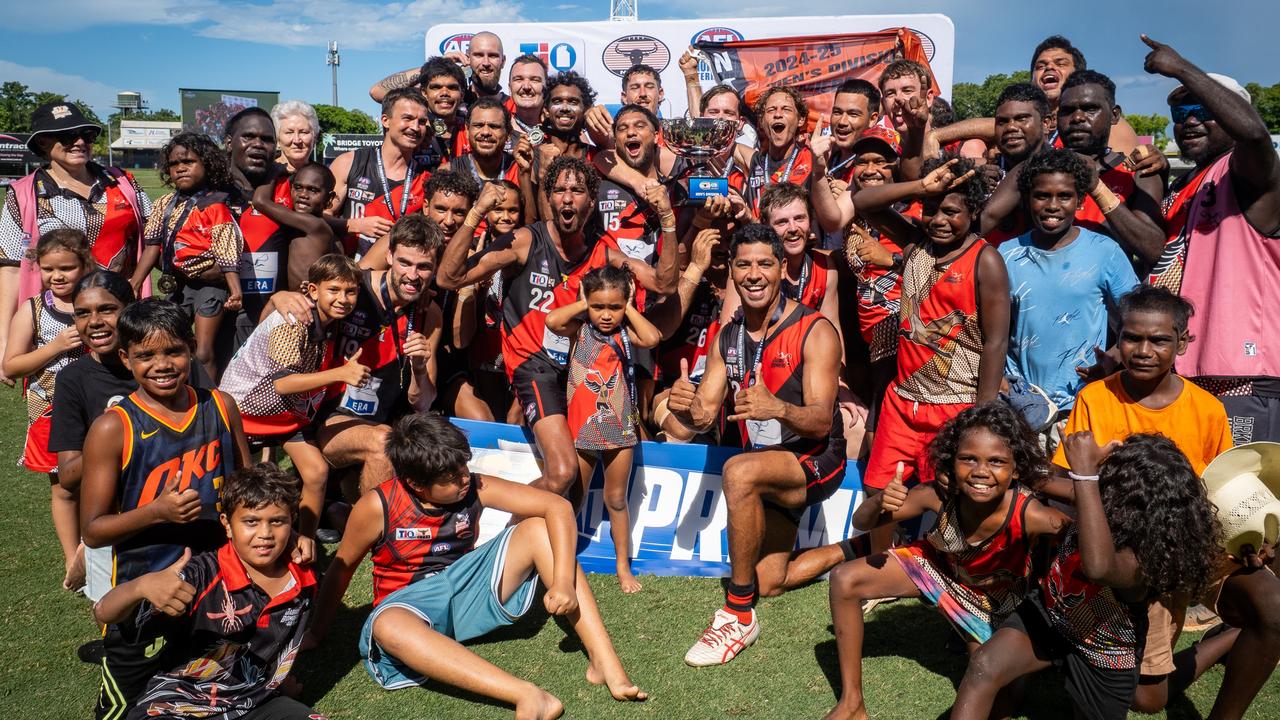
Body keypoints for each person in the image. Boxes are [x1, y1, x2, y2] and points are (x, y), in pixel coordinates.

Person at [308, 413, 647, 718]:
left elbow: (556, 506)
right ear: (415, 484)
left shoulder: (475, 485)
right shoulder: (376, 506)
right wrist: (317, 632)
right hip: (408, 607)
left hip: (466, 589)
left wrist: (561, 582)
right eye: (452, 478)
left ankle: (605, 662)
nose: (465, 479)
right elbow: (342, 568)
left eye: (464, 467)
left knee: (538, 528)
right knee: (386, 626)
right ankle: (527, 695)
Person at [1047, 284, 1279, 720]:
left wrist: (1252, 538)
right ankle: (1223, 639)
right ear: (1119, 339)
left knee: (1273, 608)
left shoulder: (1208, 409)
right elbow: (1062, 482)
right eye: (1133, 337)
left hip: (1196, 542)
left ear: (1183, 342)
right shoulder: (1096, 398)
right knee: (1147, 700)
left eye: (1159, 340)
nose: (1144, 350)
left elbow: (1224, 490)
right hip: (1133, 557)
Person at [437, 157, 678, 502]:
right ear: (548, 199)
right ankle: (498, 532)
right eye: (560, 190)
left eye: (577, 190)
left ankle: (539, 547)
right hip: (533, 366)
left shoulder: (603, 253)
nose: (567, 198)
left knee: (574, 485)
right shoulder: (524, 241)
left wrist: (667, 221)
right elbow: (449, 277)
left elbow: (663, 284)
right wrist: (476, 214)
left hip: (578, 373)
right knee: (563, 471)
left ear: (591, 203)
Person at [666, 224, 847, 666]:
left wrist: (779, 409)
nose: (754, 274)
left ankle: (737, 613)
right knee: (771, 579)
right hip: (769, 463)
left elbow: (822, 421)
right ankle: (860, 547)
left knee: (738, 472)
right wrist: (685, 407)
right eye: (743, 264)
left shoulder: (814, 329)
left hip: (818, 456)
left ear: (782, 269)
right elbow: (707, 414)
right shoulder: (725, 337)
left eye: (764, 263)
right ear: (732, 272)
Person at [952, 432, 1223, 720]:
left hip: (1104, 654)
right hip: (1050, 615)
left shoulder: (1140, 563)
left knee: (1140, 702)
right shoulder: (1100, 498)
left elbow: (1099, 567)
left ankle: (1227, 638)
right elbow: (1040, 479)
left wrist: (1085, 476)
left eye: (1113, 479)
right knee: (984, 665)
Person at [825, 402, 1070, 720]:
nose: (981, 472)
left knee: (1000, 701)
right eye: (969, 459)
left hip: (996, 602)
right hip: (939, 570)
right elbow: (863, 519)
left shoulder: (1031, 514)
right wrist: (880, 504)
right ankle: (851, 704)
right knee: (845, 578)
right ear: (951, 462)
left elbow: (1079, 543)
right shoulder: (936, 495)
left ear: (1016, 469)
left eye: (996, 461)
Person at [79, 298, 251, 719]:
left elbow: (250, 487)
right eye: (145, 355)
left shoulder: (221, 406)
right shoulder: (113, 427)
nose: (162, 364)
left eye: (173, 351)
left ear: (191, 347)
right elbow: (93, 530)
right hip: (145, 594)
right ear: (125, 358)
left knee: (211, 695)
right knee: (126, 709)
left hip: (217, 582)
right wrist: (157, 512)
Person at [93, 463, 321, 720]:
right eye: (251, 522)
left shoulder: (303, 575)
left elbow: (274, 640)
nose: (265, 534)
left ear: (292, 520)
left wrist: (281, 679)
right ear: (226, 524)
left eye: (277, 521)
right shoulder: (201, 575)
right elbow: (103, 612)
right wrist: (140, 586)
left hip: (255, 702)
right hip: (180, 704)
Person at [1141, 37, 1280, 450]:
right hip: (1187, 373)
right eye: (1180, 113)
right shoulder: (1190, 183)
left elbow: (1255, 137)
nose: (1189, 121)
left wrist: (1182, 67)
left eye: (1204, 110)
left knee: (1243, 509)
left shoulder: (1250, 175)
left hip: (1244, 377)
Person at [852, 157, 1011, 492]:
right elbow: (861, 202)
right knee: (879, 492)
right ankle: (886, 548)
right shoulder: (914, 243)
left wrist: (979, 420)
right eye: (930, 208)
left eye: (951, 211)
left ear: (972, 212)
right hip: (903, 401)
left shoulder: (986, 260)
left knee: (944, 500)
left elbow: (996, 342)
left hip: (956, 403)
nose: (938, 220)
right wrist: (920, 187)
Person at [220, 254, 363, 566]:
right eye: (334, 290)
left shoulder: (327, 320)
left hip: (282, 415)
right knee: (239, 485)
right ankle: (235, 551)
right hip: (242, 412)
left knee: (317, 471)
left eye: (351, 291)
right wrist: (341, 374)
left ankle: (304, 542)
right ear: (313, 290)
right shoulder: (294, 320)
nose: (343, 299)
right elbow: (282, 384)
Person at [0, 101, 152, 382]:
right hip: (57, 323)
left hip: (122, 315)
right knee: (60, 410)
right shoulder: (23, 194)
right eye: (68, 136)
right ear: (44, 143)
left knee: (127, 403)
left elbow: (155, 237)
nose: (80, 142)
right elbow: (9, 269)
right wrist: (4, 343)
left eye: (87, 135)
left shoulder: (123, 182)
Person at [546, 265, 661, 593]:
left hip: (619, 427)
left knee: (616, 499)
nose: (606, 315)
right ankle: (563, 560)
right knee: (574, 498)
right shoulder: (579, 328)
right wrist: (585, 304)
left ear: (625, 304)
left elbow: (652, 338)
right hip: (581, 427)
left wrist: (631, 308)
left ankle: (622, 565)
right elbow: (552, 321)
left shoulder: (625, 333)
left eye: (614, 307)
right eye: (599, 307)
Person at [1001, 149, 1138, 417]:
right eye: (1042, 195)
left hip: (1082, 402)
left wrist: (1114, 357)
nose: (1053, 205)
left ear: (1080, 201)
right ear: (1028, 199)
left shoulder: (1104, 251)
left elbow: (1138, 318)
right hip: (1021, 403)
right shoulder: (1006, 254)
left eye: (1064, 196)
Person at [317, 214, 442, 494]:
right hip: (327, 416)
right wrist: (283, 298)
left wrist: (420, 368)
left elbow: (423, 403)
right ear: (389, 255)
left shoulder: (428, 314)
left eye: (424, 267)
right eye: (405, 263)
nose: (412, 275)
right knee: (384, 442)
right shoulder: (353, 289)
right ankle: (374, 535)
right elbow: (298, 307)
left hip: (377, 419)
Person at [2, 228, 91, 590]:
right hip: (50, 414)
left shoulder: (97, 302)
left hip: (99, 409)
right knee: (64, 488)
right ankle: (73, 558)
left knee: (108, 480)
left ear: (85, 264)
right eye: (49, 268)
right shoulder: (34, 309)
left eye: (67, 268)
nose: (58, 276)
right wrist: (55, 346)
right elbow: (12, 365)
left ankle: (101, 547)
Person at [51, 272, 138, 601]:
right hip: (111, 521)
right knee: (116, 620)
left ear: (129, 309)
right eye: (83, 313)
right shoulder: (73, 380)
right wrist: (116, 441)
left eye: (107, 309)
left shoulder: (163, 363)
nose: (95, 322)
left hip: (175, 510)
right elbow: (68, 476)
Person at [143, 132, 246, 383]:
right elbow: (152, 244)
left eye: (188, 162)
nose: (180, 168)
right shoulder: (164, 203)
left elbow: (226, 251)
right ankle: (178, 394)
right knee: (171, 343)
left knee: (202, 350)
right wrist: (135, 282)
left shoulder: (215, 204)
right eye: (174, 164)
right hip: (178, 284)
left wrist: (235, 291)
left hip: (211, 287)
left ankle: (209, 402)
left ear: (207, 164)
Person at [1054, 70, 1166, 269]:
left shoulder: (1139, 171)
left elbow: (1154, 250)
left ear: (1114, 115)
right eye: (1067, 110)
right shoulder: (1041, 171)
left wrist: (1096, 187)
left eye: (1090, 109)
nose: (1077, 117)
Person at [328, 88, 431, 258]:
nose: (415, 127)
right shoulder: (349, 162)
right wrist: (355, 225)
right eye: (407, 118)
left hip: (397, 275)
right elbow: (320, 217)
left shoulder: (426, 177)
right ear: (385, 120)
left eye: (421, 122)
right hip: (347, 272)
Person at [810, 79, 882, 245]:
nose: (842, 122)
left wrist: (819, 173)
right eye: (837, 112)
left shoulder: (873, 164)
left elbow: (833, 222)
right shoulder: (828, 156)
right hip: (825, 263)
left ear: (872, 119)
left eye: (853, 114)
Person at [371, 31, 507, 108]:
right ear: (468, 59)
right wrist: (434, 68)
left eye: (493, 56)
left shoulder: (513, 106)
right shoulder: (446, 97)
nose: (486, 62)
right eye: (478, 55)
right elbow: (377, 92)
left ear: (503, 61)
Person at [745, 86, 813, 216]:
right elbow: (716, 141)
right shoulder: (755, 161)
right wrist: (692, 78)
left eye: (786, 109)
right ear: (762, 120)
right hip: (759, 236)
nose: (777, 115)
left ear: (800, 120)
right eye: (771, 110)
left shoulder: (811, 161)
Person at [224, 107, 279, 205]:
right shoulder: (210, 194)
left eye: (266, 139)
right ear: (229, 143)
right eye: (248, 137)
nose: (258, 144)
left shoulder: (291, 191)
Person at [507, 53, 548, 145]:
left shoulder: (561, 130)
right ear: (510, 88)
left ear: (546, 88)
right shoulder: (499, 129)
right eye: (519, 79)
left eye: (534, 80)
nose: (526, 87)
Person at [270, 99, 320, 174]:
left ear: (315, 137)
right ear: (277, 139)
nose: (296, 140)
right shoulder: (265, 175)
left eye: (303, 132)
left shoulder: (322, 177)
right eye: (289, 132)